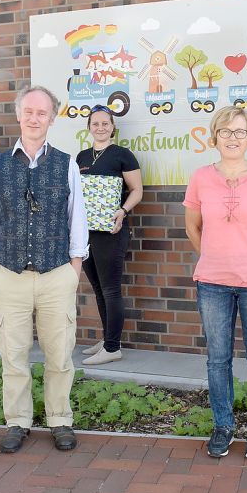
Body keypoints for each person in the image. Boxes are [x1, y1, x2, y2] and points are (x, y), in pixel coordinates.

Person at [0, 85, 88, 453]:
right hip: (9, 274)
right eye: (29, 112)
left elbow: (78, 220)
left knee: (59, 354)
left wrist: (74, 268)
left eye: (42, 113)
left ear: (52, 119)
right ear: (18, 115)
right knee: (13, 354)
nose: (35, 118)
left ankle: (59, 419)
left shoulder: (66, 163)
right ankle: (18, 421)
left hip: (57, 273)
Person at [183, 106, 247, 461]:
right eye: (225, 131)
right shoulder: (200, 177)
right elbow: (192, 227)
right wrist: (214, 256)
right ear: (214, 137)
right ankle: (223, 425)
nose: (232, 138)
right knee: (217, 359)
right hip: (212, 282)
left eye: (239, 132)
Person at [76, 105, 143, 365]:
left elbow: (137, 190)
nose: (101, 127)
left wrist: (123, 211)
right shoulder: (81, 157)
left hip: (111, 230)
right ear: (89, 127)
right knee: (98, 288)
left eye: (105, 123)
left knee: (111, 289)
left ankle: (113, 347)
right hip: (86, 232)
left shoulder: (122, 155)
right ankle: (107, 339)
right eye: (96, 123)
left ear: (113, 127)